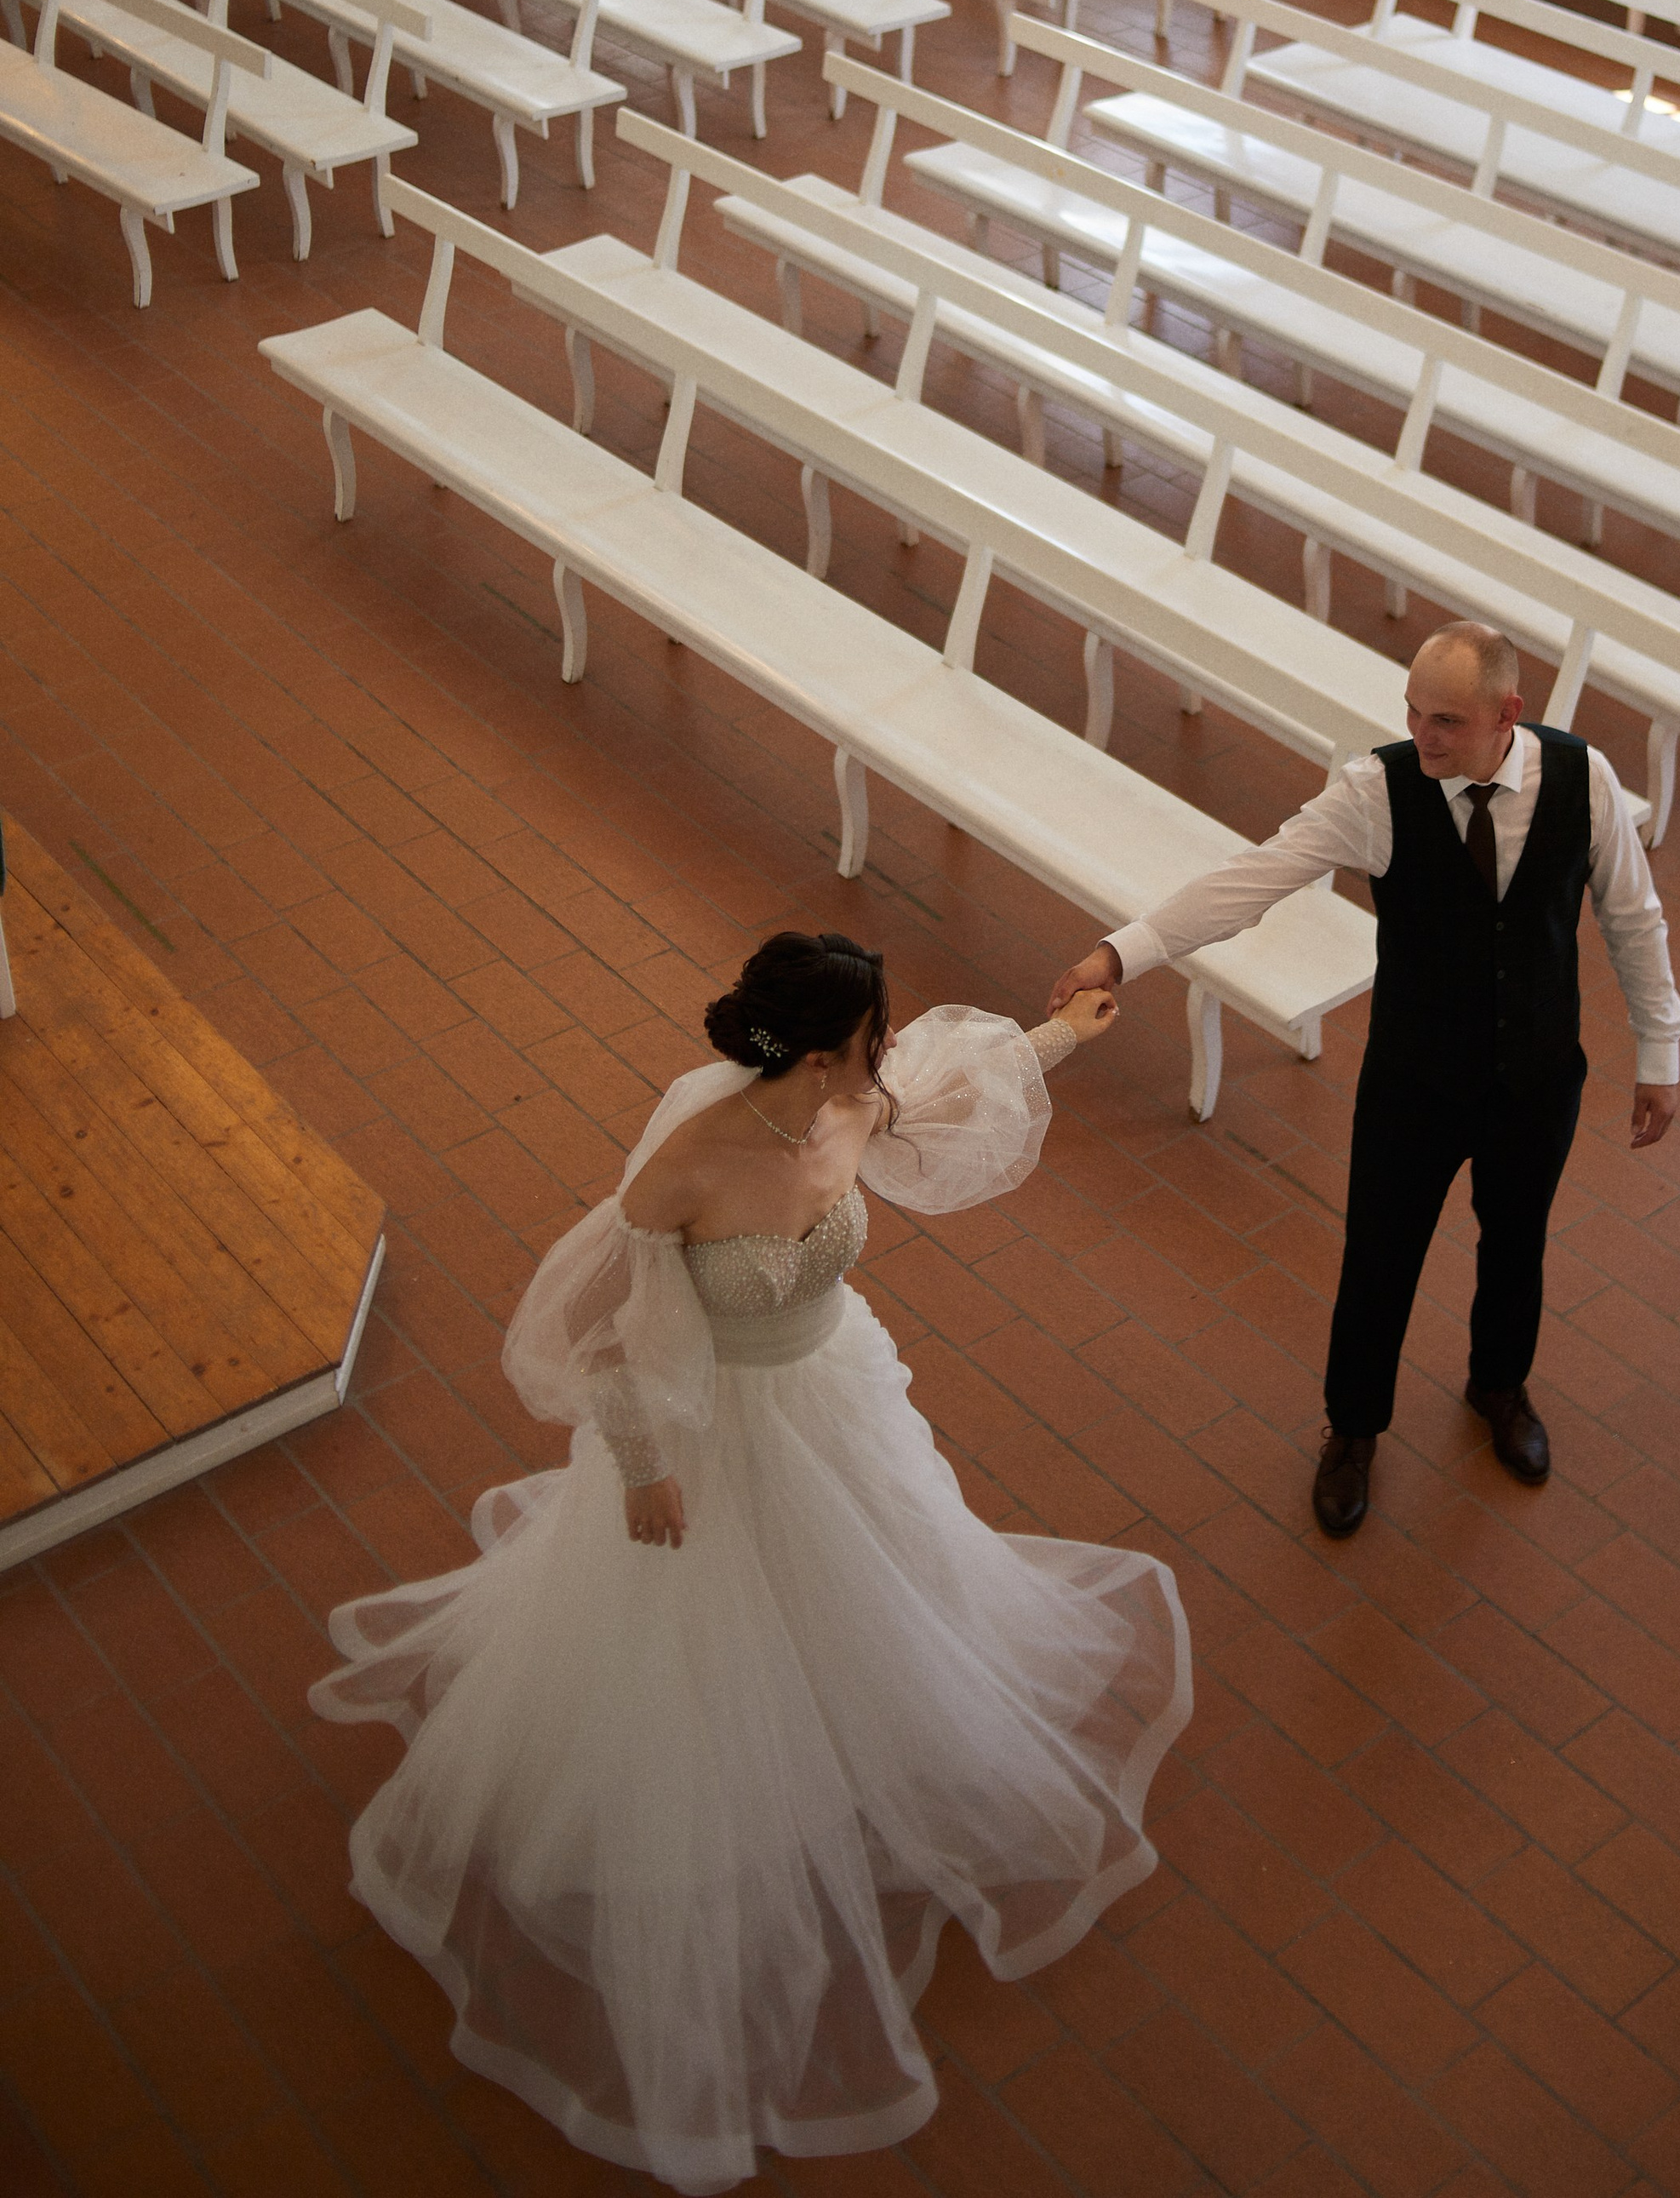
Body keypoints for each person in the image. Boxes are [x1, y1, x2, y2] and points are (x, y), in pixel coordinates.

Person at [311, 932, 1190, 2195]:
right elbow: (597, 1332)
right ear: (826, 1044)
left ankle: (858, 1718)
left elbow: (945, 1094)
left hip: (831, 1397)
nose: (884, 1057)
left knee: (881, 1579)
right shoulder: (685, 1164)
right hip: (710, 1433)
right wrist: (644, 1467)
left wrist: (1062, 1039)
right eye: (872, 1037)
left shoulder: (852, 1100)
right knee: (710, 1641)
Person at [1049, 621, 1680, 1537]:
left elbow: (1634, 917)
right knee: (1379, 1257)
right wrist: (1121, 953)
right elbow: (1252, 879)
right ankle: (1351, 1431)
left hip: (1537, 1075)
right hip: (1415, 1081)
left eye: (1448, 721)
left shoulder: (1584, 782)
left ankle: (1499, 1387)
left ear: (1509, 714)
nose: (1423, 736)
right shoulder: (1378, 792)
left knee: (1517, 1240)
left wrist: (1659, 1052)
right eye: (1414, 713)